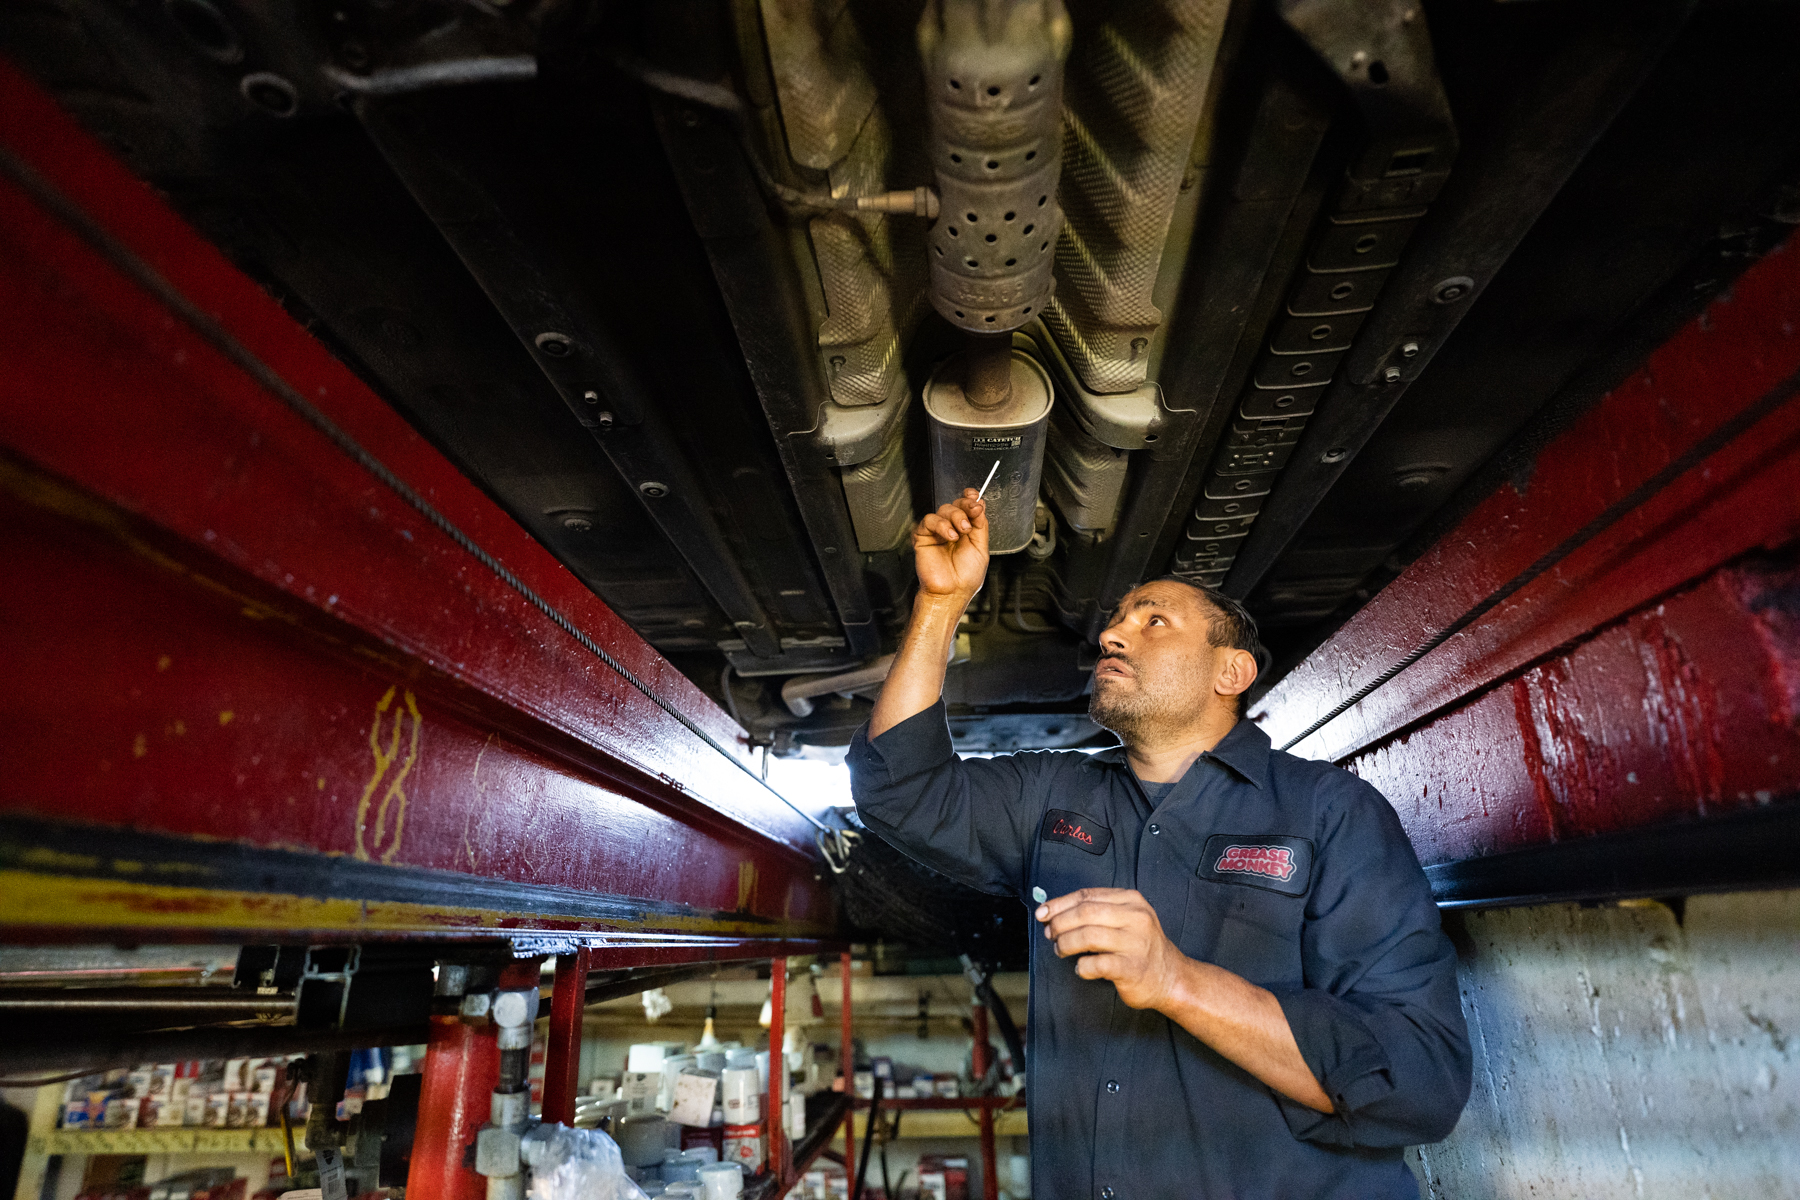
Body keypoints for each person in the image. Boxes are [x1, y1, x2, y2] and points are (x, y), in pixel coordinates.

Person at [847, 490, 1472, 1200]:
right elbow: (900, 790)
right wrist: (940, 604)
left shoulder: (1331, 813)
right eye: (1115, 623)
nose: (1114, 636)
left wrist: (1177, 981)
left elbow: (1422, 1082)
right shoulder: (1053, 796)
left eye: (1153, 622)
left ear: (1229, 673)